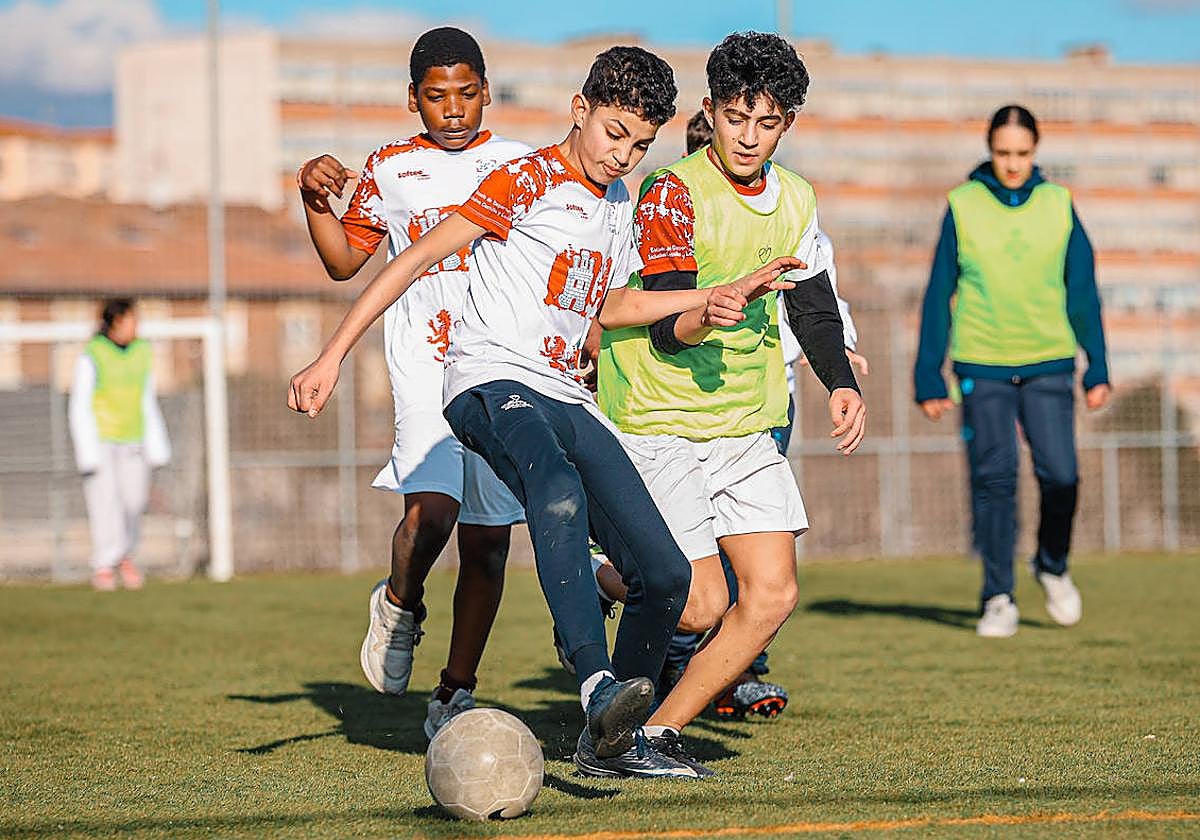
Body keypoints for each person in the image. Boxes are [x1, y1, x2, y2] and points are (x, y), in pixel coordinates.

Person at [288, 45, 803, 779]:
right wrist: (331, 354)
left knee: (663, 574)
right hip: (488, 381)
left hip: (565, 393)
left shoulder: (618, 203)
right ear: (580, 110)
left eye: (639, 144)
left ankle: (612, 747)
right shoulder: (525, 178)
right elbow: (412, 259)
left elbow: (616, 305)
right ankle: (595, 683)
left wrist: (715, 294)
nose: (621, 156)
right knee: (553, 490)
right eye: (612, 133)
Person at [597, 32, 866, 769]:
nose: (749, 137)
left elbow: (812, 306)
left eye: (767, 122)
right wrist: (704, 310)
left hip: (744, 419)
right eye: (736, 118)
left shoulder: (798, 197)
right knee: (697, 605)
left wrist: (840, 381)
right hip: (660, 420)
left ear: (788, 123)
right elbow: (662, 326)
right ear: (710, 111)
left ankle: (649, 733)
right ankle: (601, 570)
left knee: (772, 596)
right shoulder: (670, 193)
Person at [296, 28, 531, 738]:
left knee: (489, 544)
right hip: (425, 365)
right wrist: (311, 197)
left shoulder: (523, 166)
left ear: (486, 91)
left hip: (502, 364)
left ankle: (454, 693)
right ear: (412, 100)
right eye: (436, 96)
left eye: (466, 93)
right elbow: (344, 262)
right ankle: (400, 601)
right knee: (433, 511)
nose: (453, 108)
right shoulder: (390, 169)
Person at [913, 104, 1110, 638]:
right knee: (994, 482)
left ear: (1036, 152)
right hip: (984, 364)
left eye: (1022, 153)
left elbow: (1084, 292)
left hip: (1049, 360)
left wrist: (1098, 368)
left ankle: (1051, 563)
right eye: (1003, 152)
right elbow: (938, 294)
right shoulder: (963, 204)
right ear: (989, 149)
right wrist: (929, 375)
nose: (1013, 163)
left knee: (1061, 475)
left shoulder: (1060, 205)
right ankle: (998, 595)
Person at [68, 298, 171, 591]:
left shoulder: (142, 352)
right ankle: (104, 563)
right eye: (131, 319)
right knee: (104, 501)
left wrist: (156, 443)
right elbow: (80, 403)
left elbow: (147, 399)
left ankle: (125, 553)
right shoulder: (93, 353)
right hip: (102, 438)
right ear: (115, 321)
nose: (136, 325)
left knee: (134, 501)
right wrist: (86, 450)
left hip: (134, 436)